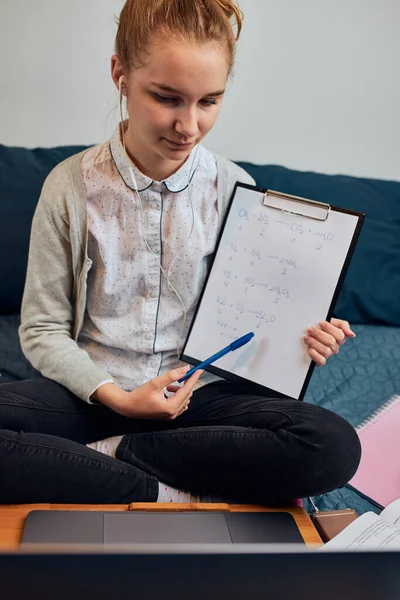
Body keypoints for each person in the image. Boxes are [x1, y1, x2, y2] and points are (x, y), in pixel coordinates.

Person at [0, 0, 360, 505]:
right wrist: (119, 397)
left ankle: (110, 458)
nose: (188, 126)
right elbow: (41, 330)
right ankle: (162, 486)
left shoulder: (235, 187)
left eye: (208, 101)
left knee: (332, 446)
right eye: (167, 98)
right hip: (97, 393)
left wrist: (300, 341)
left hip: (200, 398)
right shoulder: (69, 188)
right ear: (119, 74)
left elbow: (252, 325)